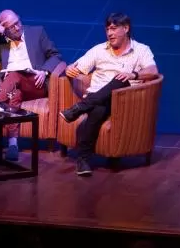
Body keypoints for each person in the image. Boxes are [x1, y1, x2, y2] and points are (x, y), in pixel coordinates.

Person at [60, 13, 158, 176]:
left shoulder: (141, 50)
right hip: (99, 99)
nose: (109, 33)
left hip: (125, 100)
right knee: (98, 109)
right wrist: (70, 68)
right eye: (107, 29)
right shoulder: (99, 50)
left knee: (120, 79)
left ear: (126, 28)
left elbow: (153, 71)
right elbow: (76, 67)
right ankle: (83, 160)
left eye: (113, 28)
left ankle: (78, 109)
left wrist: (133, 75)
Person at [0, 10, 64, 161]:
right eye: (11, 27)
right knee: (15, 94)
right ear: (4, 29)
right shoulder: (2, 42)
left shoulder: (37, 32)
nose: (17, 28)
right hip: (12, 87)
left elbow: (56, 55)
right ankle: (13, 144)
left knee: (14, 75)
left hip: (36, 84)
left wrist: (44, 71)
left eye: (17, 22)